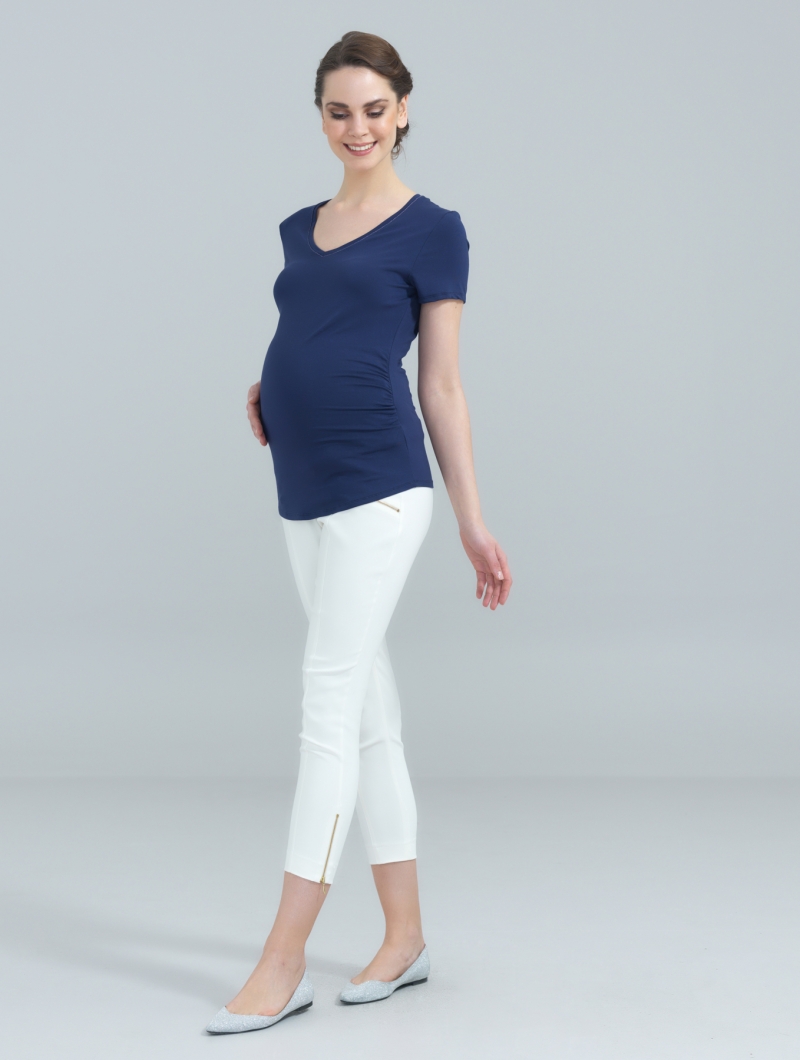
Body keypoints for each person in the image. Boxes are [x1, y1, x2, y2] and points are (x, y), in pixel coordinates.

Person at [205, 30, 512, 1035]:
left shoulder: (434, 230)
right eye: (338, 111)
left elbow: (441, 384)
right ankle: (405, 936)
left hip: (382, 484)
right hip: (301, 483)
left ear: (404, 110)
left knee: (326, 704)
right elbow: (314, 330)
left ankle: (282, 959)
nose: (357, 127)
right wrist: (275, 383)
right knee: (369, 712)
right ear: (321, 117)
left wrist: (471, 519)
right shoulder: (300, 227)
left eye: (374, 109)